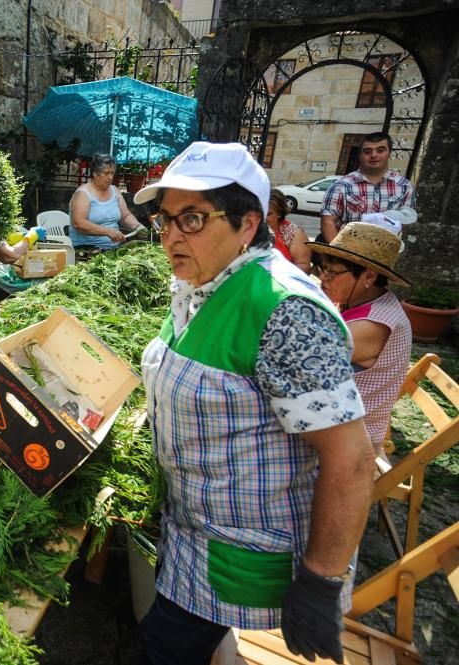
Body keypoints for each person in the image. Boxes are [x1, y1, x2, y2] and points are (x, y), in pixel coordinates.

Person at [132, 142, 374, 664]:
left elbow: (351, 461)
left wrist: (320, 578)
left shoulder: (284, 310)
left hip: (244, 547)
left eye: (193, 219)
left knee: (164, 648)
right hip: (192, 529)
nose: (172, 235)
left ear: (248, 223)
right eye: (165, 218)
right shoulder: (202, 284)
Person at [307, 215, 412, 459]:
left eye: (332, 273)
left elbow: (300, 357)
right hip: (336, 423)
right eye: (322, 269)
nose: (323, 278)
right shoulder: (360, 302)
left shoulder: (373, 324)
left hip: (350, 442)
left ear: (368, 276)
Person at [320, 131, 416, 242]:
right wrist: (337, 253)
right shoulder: (342, 186)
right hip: (347, 247)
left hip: (384, 250)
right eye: (367, 152)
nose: (374, 155)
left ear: (389, 153)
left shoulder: (404, 186)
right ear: (360, 156)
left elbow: (407, 220)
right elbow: (328, 221)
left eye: (380, 150)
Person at [69, 153, 146, 249]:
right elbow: (78, 223)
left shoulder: (115, 191)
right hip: (86, 249)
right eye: (106, 173)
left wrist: (137, 226)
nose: (110, 177)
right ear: (95, 173)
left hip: (113, 248)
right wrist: (108, 232)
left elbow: (125, 216)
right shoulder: (83, 194)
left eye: (112, 173)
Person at [267, 189, 311, 272]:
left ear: (279, 213)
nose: (263, 218)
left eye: (269, 214)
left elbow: (303, 265)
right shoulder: (248, 228)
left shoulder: (293, 233)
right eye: (260, 212)